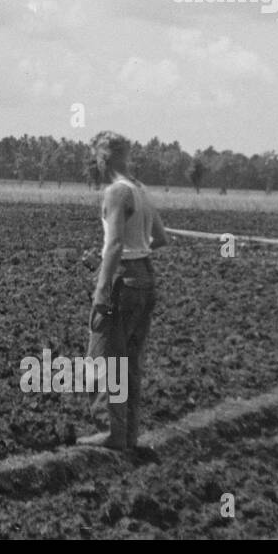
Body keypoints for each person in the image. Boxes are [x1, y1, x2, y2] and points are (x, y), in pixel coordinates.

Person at [77, 131, 168, 452]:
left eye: (96, 158)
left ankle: (109, 430)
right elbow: (159, 238)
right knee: (130, 361)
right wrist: (131, 248)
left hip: (122, 282)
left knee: (101, 357)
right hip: (145, 278)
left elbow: (115, 243)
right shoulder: (140, 191)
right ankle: (128, 434)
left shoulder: (115, 193)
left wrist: (102, 288)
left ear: (104, 158)